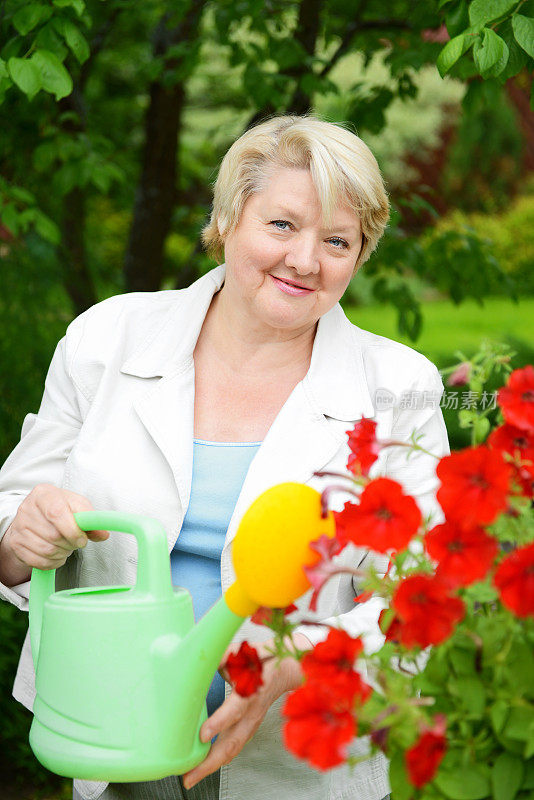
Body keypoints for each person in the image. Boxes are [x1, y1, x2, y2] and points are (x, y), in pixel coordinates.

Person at [0, 114, 449, 800]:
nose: (305, 259)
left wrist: (298, 664)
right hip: (116, 744)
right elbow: (12, 520)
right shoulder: (107, 337)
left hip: (296, 763)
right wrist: (20, 533)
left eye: (337, 240)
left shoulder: (401, 385)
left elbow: (422, 593)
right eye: (282, 225)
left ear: (360, 256)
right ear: (228, 217)